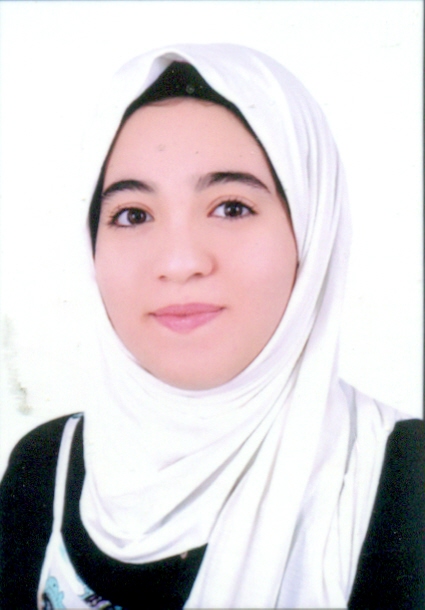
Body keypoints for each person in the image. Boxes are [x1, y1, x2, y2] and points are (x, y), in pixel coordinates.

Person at [0, 44, 423, 610]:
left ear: (311, 231)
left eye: (231, 207)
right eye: (133, 214)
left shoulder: (406, 482)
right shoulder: (44, 466)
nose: (180, 262)